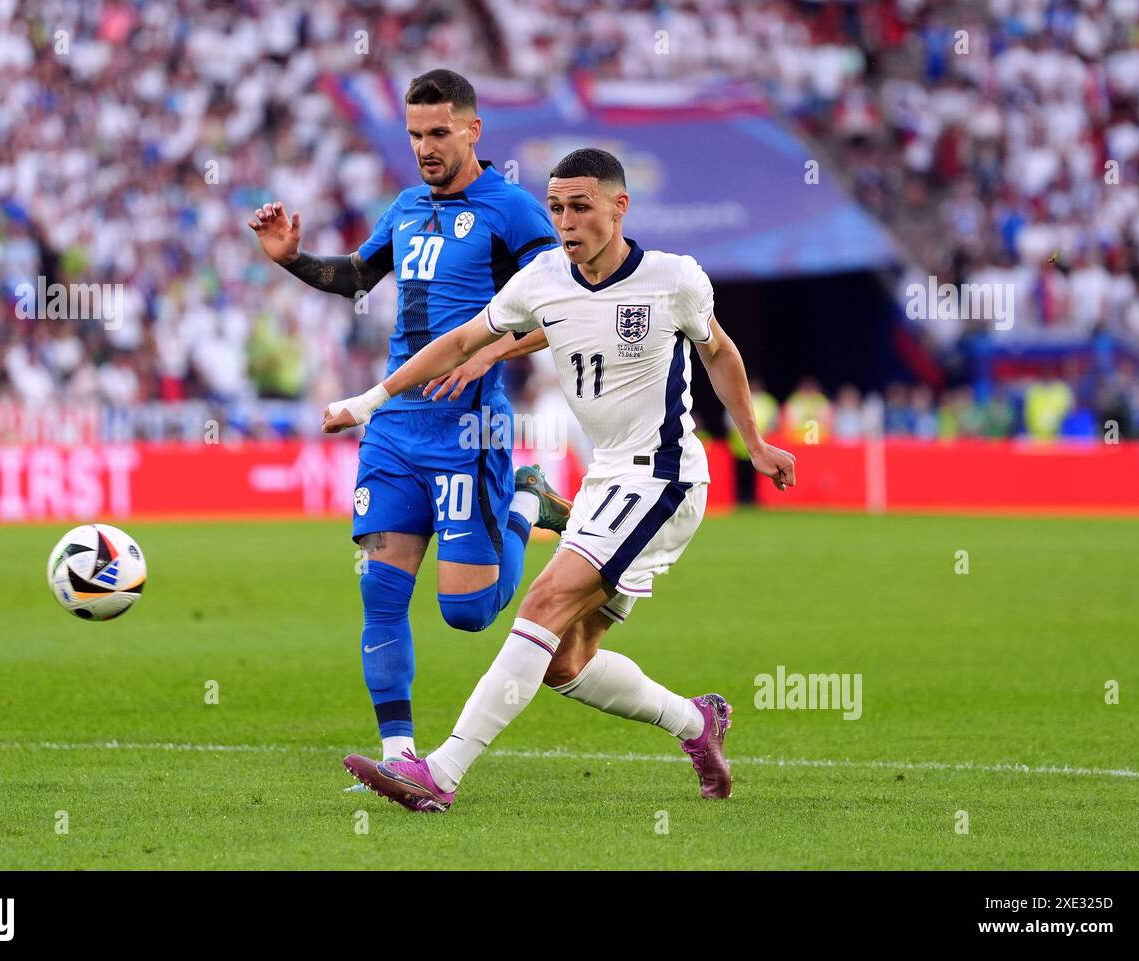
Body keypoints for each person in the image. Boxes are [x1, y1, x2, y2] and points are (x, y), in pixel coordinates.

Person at [325, 148, 797, 810]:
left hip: (663, 479)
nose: (566, 221)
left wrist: (753, 441)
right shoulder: (544, 278)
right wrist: (372, 399)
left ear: (618, 206)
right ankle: (697, 722)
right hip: (608, 481)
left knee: (542, 601)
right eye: (556, 208)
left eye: (580, 206)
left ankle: (441, 771)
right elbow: (464, 340)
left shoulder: (673, 279)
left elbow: (719, 351)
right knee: (564, 660)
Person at [249, 69, 570, 765]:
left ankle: (523, 498)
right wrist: (294, 260)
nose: (425, 147)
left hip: (470, 432)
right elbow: (358, 279)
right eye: (416, 133)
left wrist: (493, 355)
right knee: (381, 595)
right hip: (394, 430)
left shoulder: (513, 211)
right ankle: (399, 756)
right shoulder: (405, 207)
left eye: (438, 133)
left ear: (472, 130)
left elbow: (566, 304)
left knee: (468, 612)